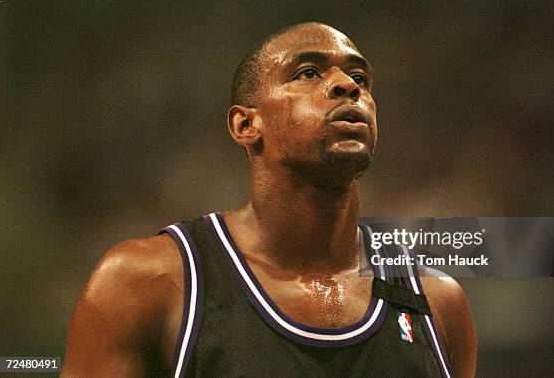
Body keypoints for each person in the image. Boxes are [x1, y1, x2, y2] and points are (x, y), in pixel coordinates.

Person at [61, 22, 477, 378]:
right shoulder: (144, 282)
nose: (347, 86)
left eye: (361, 79)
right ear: (246, 124)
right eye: (309, 72)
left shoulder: (438, 301)